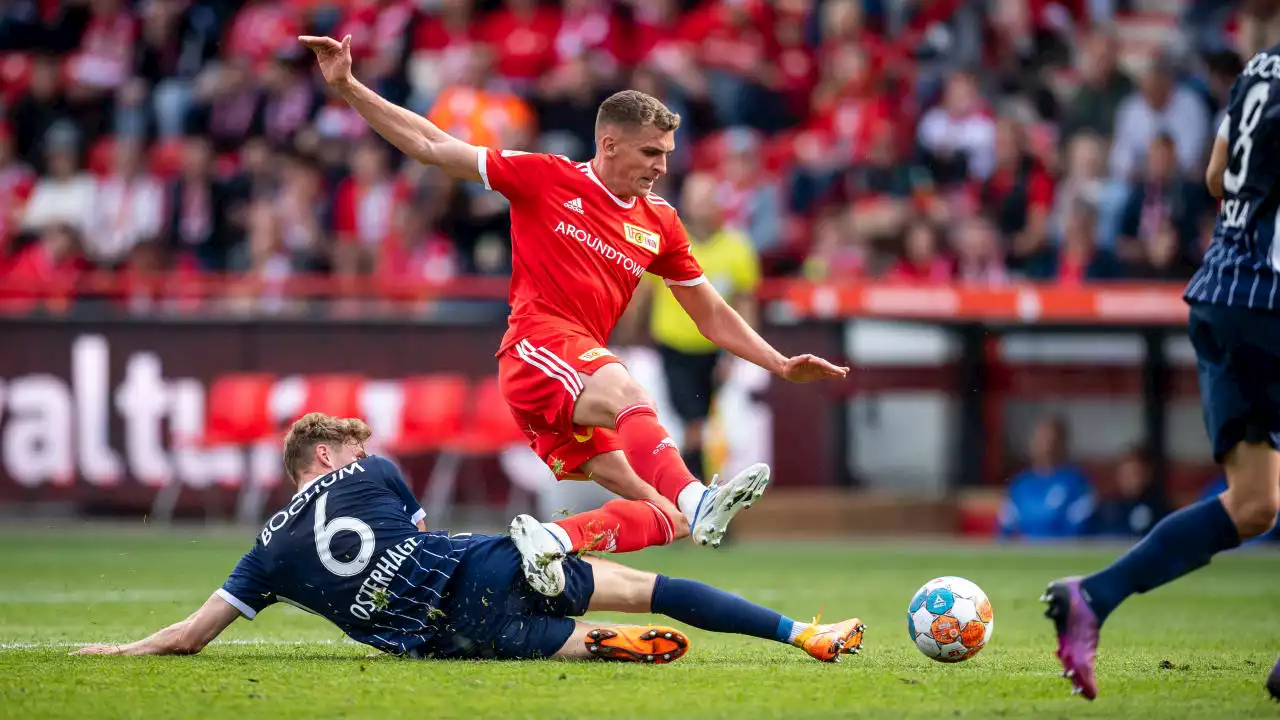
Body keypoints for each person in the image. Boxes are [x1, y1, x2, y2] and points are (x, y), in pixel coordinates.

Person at [297, 34, 849, 562]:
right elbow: (431, 144)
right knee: (629, 391)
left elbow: (709, 312)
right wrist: (347, 86)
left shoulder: (661, 222)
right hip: (536, 351)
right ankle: (696, 494)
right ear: (608, 144)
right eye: (651, 152)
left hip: (574, 376)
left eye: (667, 154)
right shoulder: (545, 178)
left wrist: (777, 362)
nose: (662, 167)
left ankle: (552, 542)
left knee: (664, 515)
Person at [72, 413, 866, 664]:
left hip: (446, 637)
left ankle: (594, 642)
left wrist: (118, 653)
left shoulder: (264, 556)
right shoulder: (372, 472)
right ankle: (803, 634)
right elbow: (420, 535)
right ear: (324, 458)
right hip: (476, 562)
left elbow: (189, 637)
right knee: (656, 585)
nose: (357, 451)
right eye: (345, 446)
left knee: (533, 635)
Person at [1043, 4, 1280, 700]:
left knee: (1257, 503)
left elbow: (1214, 176)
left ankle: (1094, 596)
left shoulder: (1258, 72)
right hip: (1272, 296)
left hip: (1220, 292)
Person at [622, 171, 761, 479]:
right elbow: (641, 295)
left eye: (706, 198)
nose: (700, 206)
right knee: (693, 421)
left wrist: (739, 354)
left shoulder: (737, 248)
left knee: (714, 427)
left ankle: (694, 491)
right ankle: (696, 491)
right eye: (695, 198)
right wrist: (623, 337)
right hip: (674, 349)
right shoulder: (664, 242)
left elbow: (745, 303)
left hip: (718, 352)